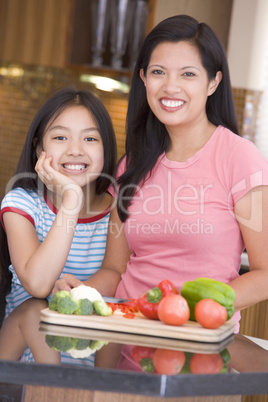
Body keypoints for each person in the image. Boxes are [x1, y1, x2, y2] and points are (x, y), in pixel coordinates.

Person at [54, 15, 268, 337]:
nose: (170, 86)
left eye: (188, 74)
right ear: (143, 78)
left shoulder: (239, 158)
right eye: (158, 72)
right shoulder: (133, 164)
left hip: (198, 345)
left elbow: (265, 274)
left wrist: (187, 311)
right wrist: (82, 291)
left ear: (213, 82)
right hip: (124, 336)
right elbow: (115, 269)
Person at [0, 87, 117, 365]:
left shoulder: (117, 210)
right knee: (36, 309)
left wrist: (78, 292)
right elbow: (39, 284)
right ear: (40, 148)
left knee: (114, 314)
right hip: (21, 363)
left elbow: (116, 274)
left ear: (106, 148)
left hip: (90, 364)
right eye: (60, 137)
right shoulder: (21, 203)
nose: (75, 150)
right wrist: (71, 201)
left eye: (90, 138)